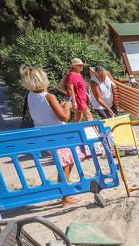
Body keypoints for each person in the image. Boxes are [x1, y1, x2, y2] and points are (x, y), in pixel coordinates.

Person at [20, 65, 82, 206]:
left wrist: (59, 107)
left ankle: (65, 190)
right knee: (66, 163)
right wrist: (67, 105)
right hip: (58, 135)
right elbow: (64, 117)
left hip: (43, 135)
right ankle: (65, 196)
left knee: (66, 162)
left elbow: (45, 113)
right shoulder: (49, 96)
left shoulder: (30, 95)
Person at [65, 57, 93, 122]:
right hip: (78, 100)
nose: (81, 66)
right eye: (79, 65)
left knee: (78, 118)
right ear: (74, 66)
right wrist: (74, 102)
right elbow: (70, 89)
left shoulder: (79, 74)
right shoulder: (71, 75)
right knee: (89, 115)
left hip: (81, 99)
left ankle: (72, 130)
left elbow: (81, 87)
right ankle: (92, 130)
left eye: (82, 65)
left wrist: (87, 95)